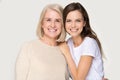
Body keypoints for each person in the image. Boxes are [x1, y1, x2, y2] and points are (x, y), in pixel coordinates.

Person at [15, 4, 69, 80]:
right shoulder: (28, 47)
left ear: (63, 25)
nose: (53, 25)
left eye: (57, 21)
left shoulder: (66, 50)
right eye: (48, 20)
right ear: (42, 24)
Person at [59, 2, 107, 80]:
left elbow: (79, 79)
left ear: (84, 22)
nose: (73, 25)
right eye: (69, 21)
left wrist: (67, 53)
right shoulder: (68, 43)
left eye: (78, 20)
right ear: (64, 23)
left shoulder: (89, 43)